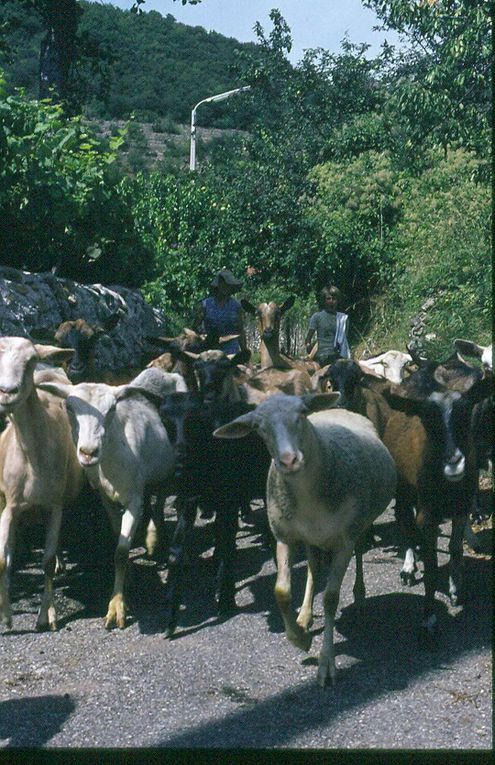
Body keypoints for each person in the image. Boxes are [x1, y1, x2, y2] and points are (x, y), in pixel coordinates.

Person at [193, 268, 247, 355]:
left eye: (228, 285)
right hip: (211, 349)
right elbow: (196, 326)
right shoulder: (206, 304)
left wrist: (245, 352)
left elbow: (240, 330)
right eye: (223, 284)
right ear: (218, 286)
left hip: (231, 350)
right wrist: (204, 335)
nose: (225, 287)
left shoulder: (236, 306)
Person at [304, 285, 351, 366]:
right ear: (324, 301)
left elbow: (343, 343)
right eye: (328, 299)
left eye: (334, 299)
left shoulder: (343, 319)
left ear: (337, 301)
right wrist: (309, 351)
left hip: (337, 356)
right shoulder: (317, 317)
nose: (331, 301)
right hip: (321, 357)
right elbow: (309, 340)